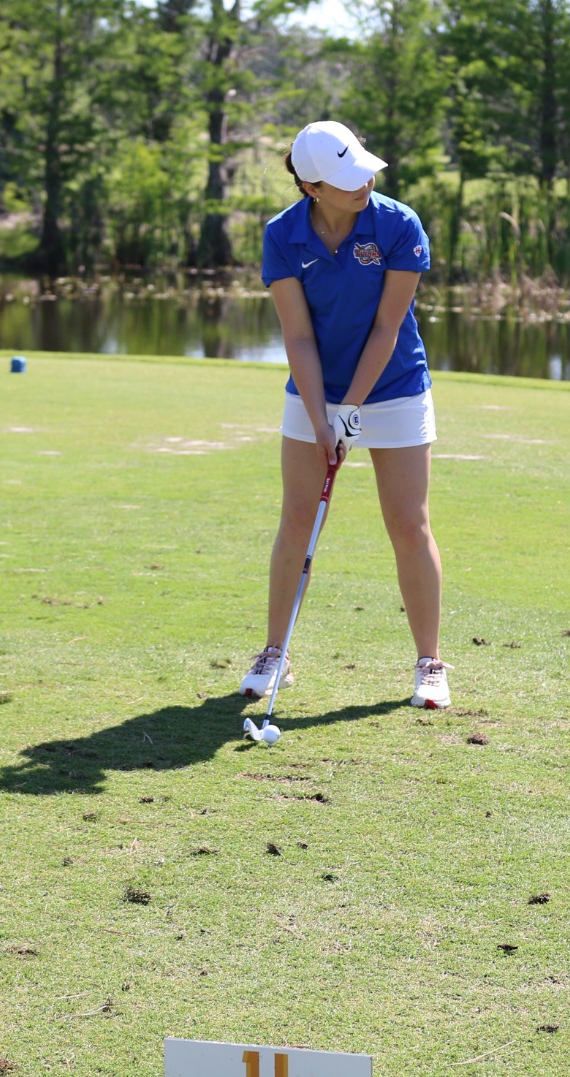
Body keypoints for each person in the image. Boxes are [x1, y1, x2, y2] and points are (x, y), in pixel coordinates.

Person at [241, 120, 450, 710]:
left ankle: (430, 662)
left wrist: (350, 410)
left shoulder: (398, 224)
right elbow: (298, 336)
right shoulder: (283, 236)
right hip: (315, 390)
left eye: (364, 171)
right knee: (299, 520)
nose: (364, 183)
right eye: (347, 179)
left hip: (396, 386)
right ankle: (275, 652)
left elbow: (387, 327)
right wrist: (320, 418)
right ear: (312, 188)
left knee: (408, 523)